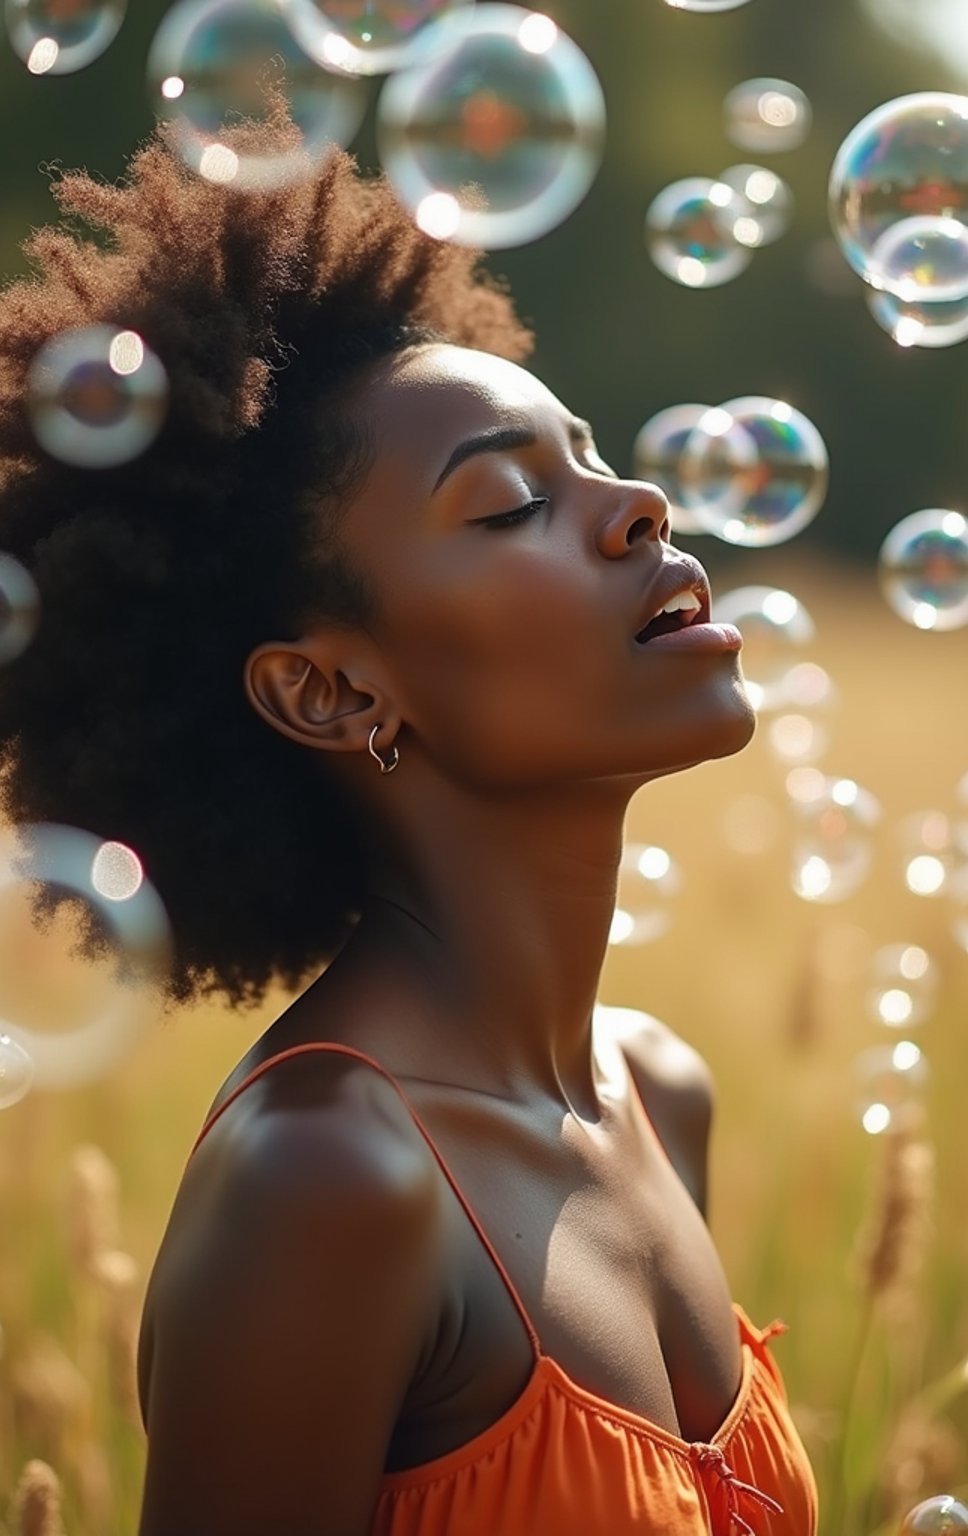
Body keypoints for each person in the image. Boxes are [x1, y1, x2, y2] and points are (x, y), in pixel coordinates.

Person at [0, 106, 818, 1536]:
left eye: (595, 458)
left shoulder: (654, 1090)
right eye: (509, 506)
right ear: (328, 692)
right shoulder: (328, 1174)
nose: (637, 505)